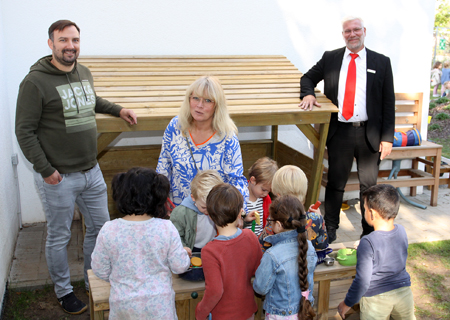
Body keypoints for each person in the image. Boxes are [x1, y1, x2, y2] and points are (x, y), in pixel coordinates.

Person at [15, 20, 137, 314]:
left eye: (75, 40)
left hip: (91, 171)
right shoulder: (35, 82)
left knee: (100, 228)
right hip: (58, 177)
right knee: (59, 236)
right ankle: (63, 291)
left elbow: (90, 101)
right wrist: (46, 170)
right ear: (51, 44)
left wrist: (117, 109)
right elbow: (24, 131)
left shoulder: (83, 71)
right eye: (63, 41)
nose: (70, 46)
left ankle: (92, 279)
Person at [299, 16, 395, 243]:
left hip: (369, 134)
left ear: (364, 31)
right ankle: (330, 228)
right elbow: (307, 77)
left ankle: (369, 232)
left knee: (369, 187)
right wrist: (309, 93)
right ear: (343, 35)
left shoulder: (381, 62)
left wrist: (387, 138)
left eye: (356, 30)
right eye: (347, 31)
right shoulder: (331, 58)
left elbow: (388, 102)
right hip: (339, 132)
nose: (352, 34)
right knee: (335, 183)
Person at [91, 167, 190, 320]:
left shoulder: (108, 230)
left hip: (123, 307)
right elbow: (179, 266)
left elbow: (99, 269)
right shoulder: (166, 228)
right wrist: (184, 254)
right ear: (158, 197)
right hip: (160, 308)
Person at [156, 75, 249, 211]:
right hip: (178, 213)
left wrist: (239, 211)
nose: (199, 105)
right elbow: (163, 168)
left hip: (212, 214)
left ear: (217, 105)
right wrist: (160, 203)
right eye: (195, 98)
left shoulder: (227, 135)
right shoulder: (175, 126)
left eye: (207, 100)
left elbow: (235, 180)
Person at [337, 184, 415, 320]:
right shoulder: (401, 231)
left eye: (365, 209)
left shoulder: (368, 242)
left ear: (372, 213)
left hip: (377, 299)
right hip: (404, 293)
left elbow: (362, 281)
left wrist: (347, 303)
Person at [195, 183, 263, 320]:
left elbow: (215, 291)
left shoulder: (209, 251)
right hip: (247, 311)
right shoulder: (250, 237)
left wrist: (200, 311)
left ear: (210, 216)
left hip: (223, 315)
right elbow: (259, 270)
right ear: (240, 213)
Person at [253, 195, 317, 319]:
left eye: (270, 221)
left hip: (279, 315)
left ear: (278, 224)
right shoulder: (309, 247)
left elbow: (260, 288)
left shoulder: (272, 255)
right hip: (304, 311)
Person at [259, 165, 328, 252]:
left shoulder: (274, 222)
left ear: (279, 196)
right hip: (308, 264)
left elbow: (261, 249)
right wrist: (318, 218)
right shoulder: (316, 219)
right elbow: (322, 246)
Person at [170, 170, 223, 255]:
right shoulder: (180, 213)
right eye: (204, 207)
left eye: (212, 207)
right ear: (193, 197)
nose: (208, 211)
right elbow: (175, 236)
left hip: (212, 249)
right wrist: (183, 247)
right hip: (192, 250)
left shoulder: (220, 208)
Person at [243, 157, 278, 236]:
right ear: (253, 180)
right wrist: (245, 221)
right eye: (264, 190)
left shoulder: (266, 199)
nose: (266, 194)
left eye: (269, 191)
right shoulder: (240, 197)